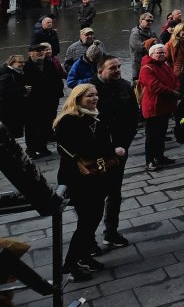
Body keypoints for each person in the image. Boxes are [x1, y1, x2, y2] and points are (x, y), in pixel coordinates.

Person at [54, 83, 124, 281]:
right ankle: (70, 265)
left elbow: (101, 142)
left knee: (92, 219)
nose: (95, 99)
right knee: (86, 222)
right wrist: (112, 151)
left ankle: (84, 257)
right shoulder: (68, 120)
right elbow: (83, 148)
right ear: (78, 99)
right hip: (78, 179)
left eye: (96, 95)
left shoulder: (94, 117)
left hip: (96, 177)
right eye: (89, 96)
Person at [93, 55, 140, 247]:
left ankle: (111, 232)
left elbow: (134, 116)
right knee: (95, 196)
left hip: (120, 149)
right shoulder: (89, 90)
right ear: (100, 71)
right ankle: (88, 240)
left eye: (119, 66)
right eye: (112, 68)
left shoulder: (125, 86)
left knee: (114, 192)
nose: (118, 70)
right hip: (96, 153)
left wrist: (124, 143)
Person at [138, 43, 179, 170]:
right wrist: (172, 92)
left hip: (165, 105)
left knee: (161, 134)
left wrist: (177, 88)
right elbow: (154, 86)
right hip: (153, 107)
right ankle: (149, 161)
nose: (161, 54)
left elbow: (174, 79)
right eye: (158, 53)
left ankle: (160, 156)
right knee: (152, 136)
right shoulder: (146, 68)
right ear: (151, 54)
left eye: (163, 52)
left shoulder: (165, 65)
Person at [0, 55, 29, 138]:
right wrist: (23, 89)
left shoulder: (17, 72)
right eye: (20, 62)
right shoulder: (7, 74)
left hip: (14, 108)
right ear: (12, 63)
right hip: (8, 110)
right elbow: (3, 92)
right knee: (10, 132)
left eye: (23, 62)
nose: (23, 64)